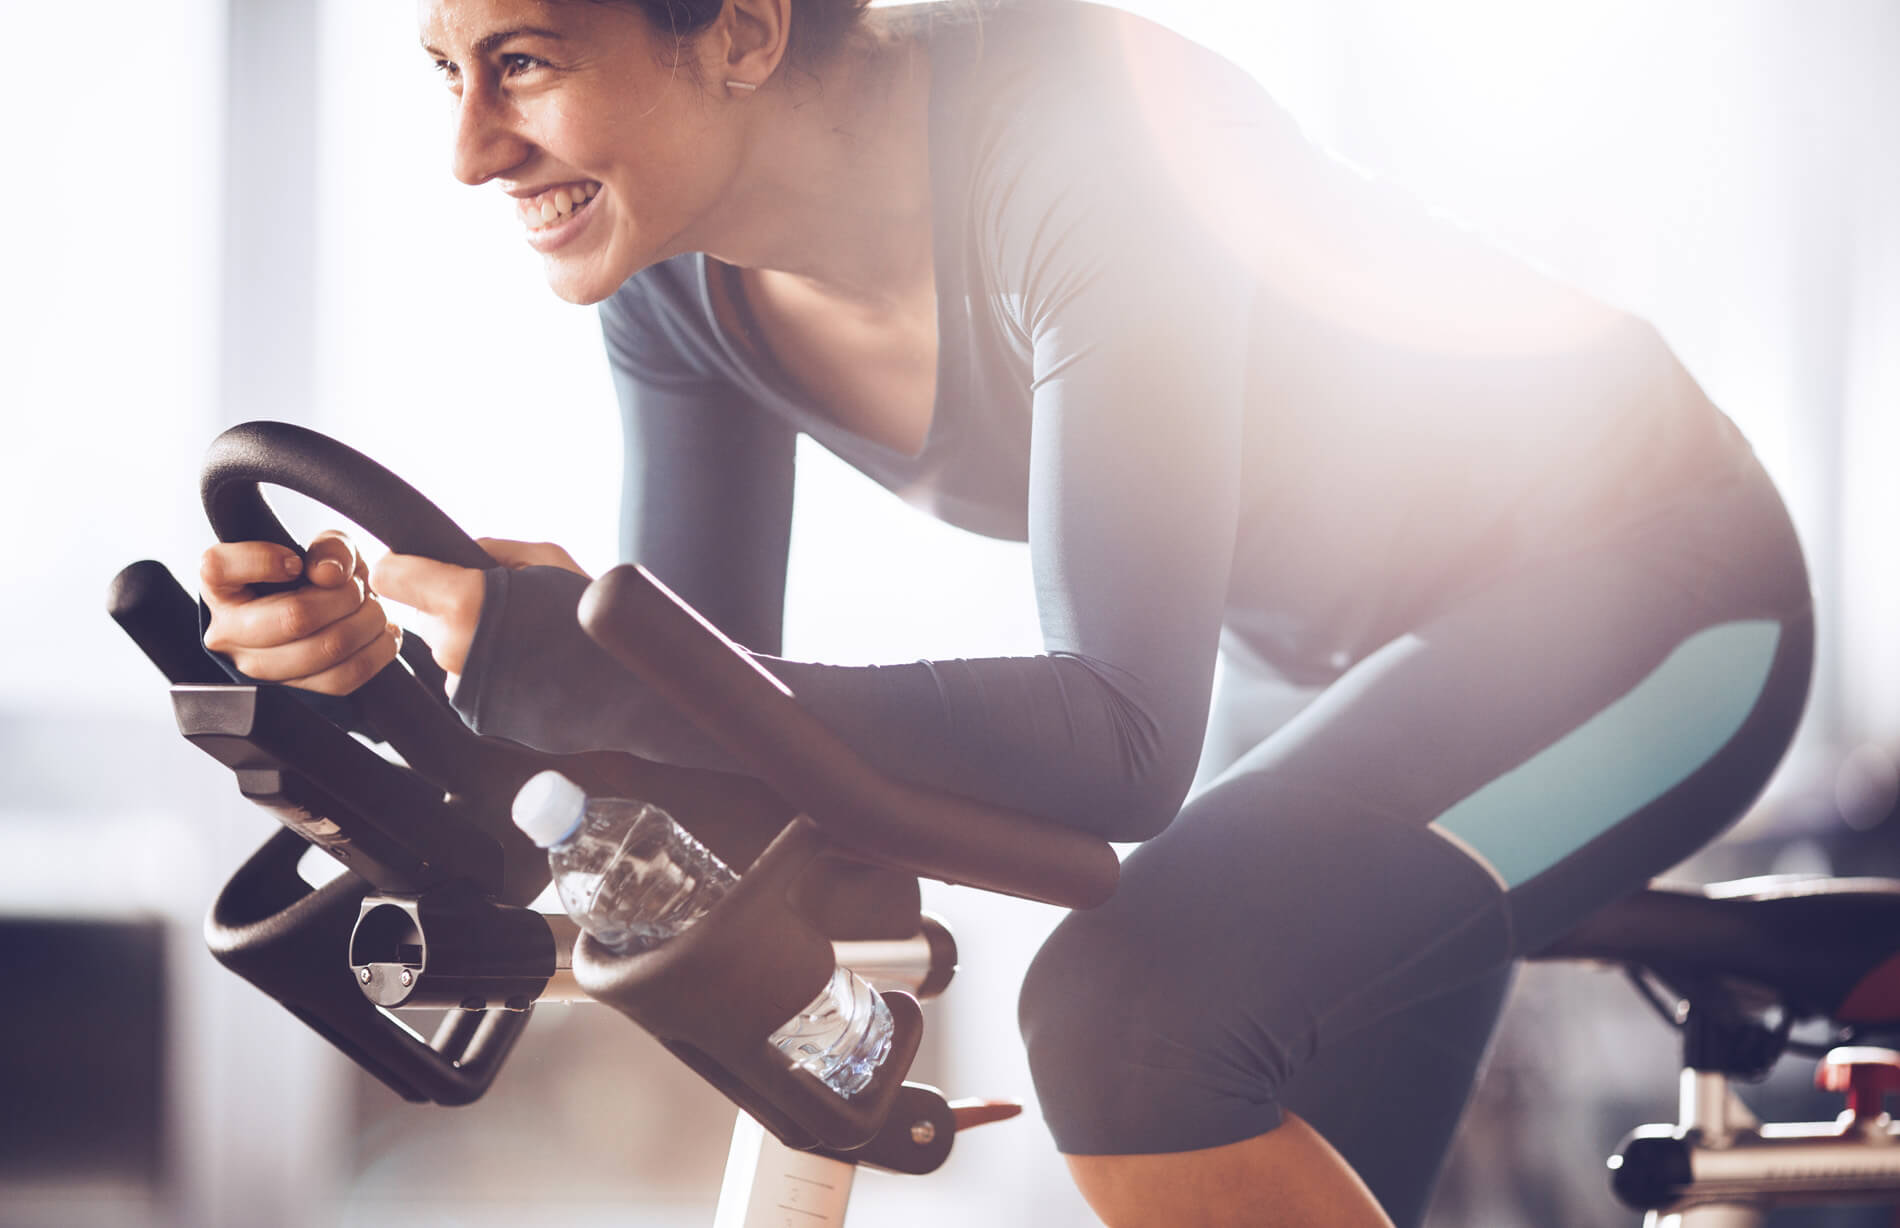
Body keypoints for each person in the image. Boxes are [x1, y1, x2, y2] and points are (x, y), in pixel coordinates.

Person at [198, 0, 1814, 1222]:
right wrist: (410, 663)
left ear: (746, 28)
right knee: (1190, 1056)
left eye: (525, 61)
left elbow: (1118, 742)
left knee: (1133, 1020)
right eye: (446, 73)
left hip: (1647, 590)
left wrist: (564, 655)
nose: (472, 149)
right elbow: (691, 750)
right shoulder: (681, 283)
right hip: (1331, 663)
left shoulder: (1077, 147)